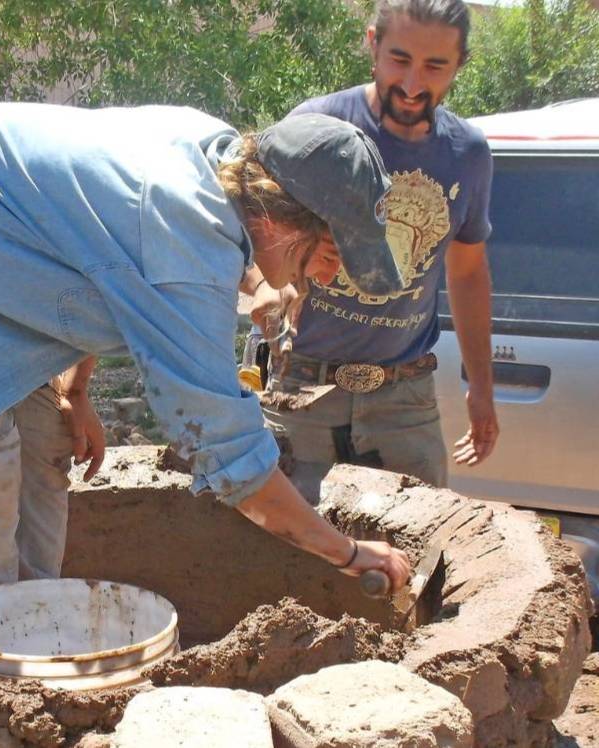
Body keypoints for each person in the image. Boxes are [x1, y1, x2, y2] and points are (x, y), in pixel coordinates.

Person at [0, 103, 412, 670]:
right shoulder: (184, 242)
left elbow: (92, 250)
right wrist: (347, 553)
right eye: (333, 249)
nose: (332, 274)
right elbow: (232, 458)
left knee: (43, 447)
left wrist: (75, 392)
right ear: (281, 217)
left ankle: (26, 661)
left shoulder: (217, 156)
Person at [247, 0, 497, 503]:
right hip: (300, 390)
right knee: (282, 556)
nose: (411, 84)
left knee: (419, 561)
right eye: (399, 60)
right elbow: (257, 226)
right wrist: (263, 287)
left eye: (434, 66)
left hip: (403, 402)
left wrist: (482, 387)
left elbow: (467, 274)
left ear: (460, 65)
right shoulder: (318, 128)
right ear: (373, 45)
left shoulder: (466, 154)